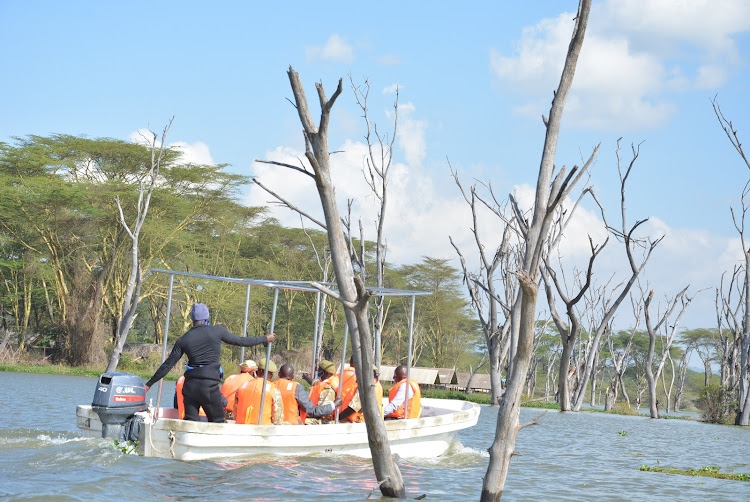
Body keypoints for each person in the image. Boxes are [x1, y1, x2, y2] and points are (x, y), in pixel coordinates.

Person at [144, 302, 275, 423]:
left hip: (189, 387)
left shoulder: (183, 339)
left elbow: (167, 365)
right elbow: (241, 341)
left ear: (193, 320)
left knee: (190, 422)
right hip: (208, 386)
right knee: (217, 422)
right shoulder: (217, 331)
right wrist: (265, 338)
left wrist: (149, 384)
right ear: (207, 318)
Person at [274, 363, 341, 425]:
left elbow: (315, 383)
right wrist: (333, 405)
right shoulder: (296, 387)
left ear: (279, 374)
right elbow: (312, 410)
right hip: (292, 425)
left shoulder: (271, 385)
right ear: (293, 376)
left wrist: (306, 378)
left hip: (273, 424)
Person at [234, 359, 284, 425]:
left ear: (257, 373)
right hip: (262, 430)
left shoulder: (243, 386)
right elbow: (277, 419)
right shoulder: (273, 390)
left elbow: (235, 412)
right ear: (271, 376)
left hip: (241, 427)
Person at [300, 359, 339, 424]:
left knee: (300, 421)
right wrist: (306, 378)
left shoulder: (328, 389)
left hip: (323, 420)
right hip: (316, 414)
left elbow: (323, 411)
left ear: (326, 372)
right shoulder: (324, 381)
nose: (318, 371)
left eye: (319, 370)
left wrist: (310, 413)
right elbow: (315, 383)